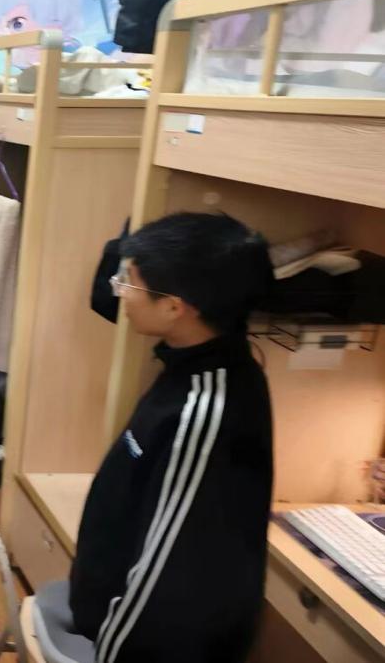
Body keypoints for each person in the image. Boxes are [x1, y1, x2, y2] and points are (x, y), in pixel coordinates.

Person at [66, 212, 274, 662]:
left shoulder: (205, 408)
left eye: (129, 282)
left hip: (137, 641)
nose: (119, 291)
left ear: (175, 307)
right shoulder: (189, 364)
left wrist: (112, 650)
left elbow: (166, 572)